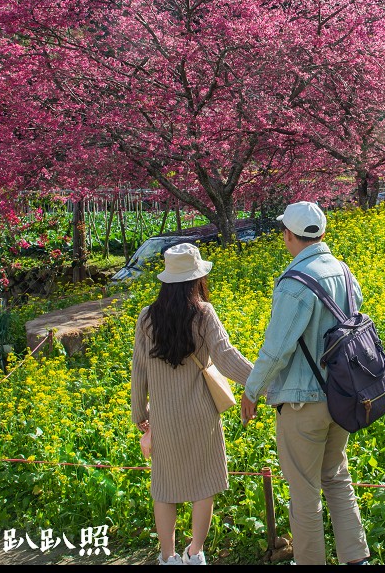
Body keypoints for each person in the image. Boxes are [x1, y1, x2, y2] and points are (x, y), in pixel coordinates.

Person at [240, 201, 371, 566]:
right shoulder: (344, 272)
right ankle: (357, 559)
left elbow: (276, 349)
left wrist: (251, 392)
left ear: (288, 235)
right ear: (322, 234)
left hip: (303, 403)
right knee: (336, 478)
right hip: (342, 396)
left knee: (304, 492)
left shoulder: (294, 283)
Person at [131, 243, 254, 566]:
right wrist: (261, 380)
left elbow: (139, 369)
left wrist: (139, 414)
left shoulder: (147, 317)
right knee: (203, 485)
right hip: (201, 415)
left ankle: (169, 557)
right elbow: (227, 359)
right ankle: (195, 553)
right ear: (195, 279)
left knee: (165, 489)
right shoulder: (203, 313)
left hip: (165, 419)